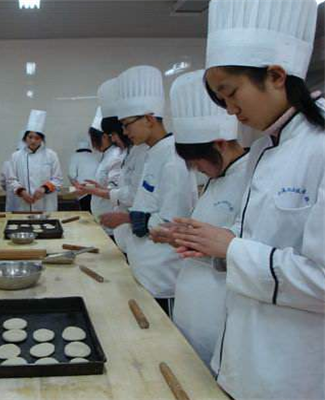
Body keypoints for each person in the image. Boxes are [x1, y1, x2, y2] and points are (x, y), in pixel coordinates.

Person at [169, 0, 324, 398]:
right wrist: (212, 243)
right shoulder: (263, 149)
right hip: (243, 354)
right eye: (221, 101)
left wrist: (231, 248)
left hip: (294, 368)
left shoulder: (319, 145)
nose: (231, 111)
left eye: (230, 93)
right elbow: (256, 236)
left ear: (275, 75)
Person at [149, 69, 249, 367]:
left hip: (218, 314)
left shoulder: (250, 178)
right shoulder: (218, 179)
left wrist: (196, 241)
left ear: (218, 144)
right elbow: (209, 238)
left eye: (197, 162)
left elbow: (240, 248)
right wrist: (178, 235)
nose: (195, 170)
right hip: (192, 305)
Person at [101, 66, 198, 316]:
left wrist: (125, 218)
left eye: (127, 124)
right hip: (144, 266)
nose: (124, 132)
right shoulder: (152, 153)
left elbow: (171, 222)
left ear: (149, 118)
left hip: (162, 274)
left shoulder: (173, 158)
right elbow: (147, 204)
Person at [77, 99, 123, 235]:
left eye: (94, 138)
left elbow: (115, 192)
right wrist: (94, 187)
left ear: (104, 136)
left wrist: (92, 190)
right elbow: (107, 186)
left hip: (112, 223)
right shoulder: (106, 155)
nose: (92, 143)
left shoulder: (116, 156)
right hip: (103, 220)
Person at [7, 109, 63, 212]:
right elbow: (11, 180)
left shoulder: (51, 155)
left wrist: (44, 189)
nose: (33, 141)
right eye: (30, 137)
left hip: (46, 204)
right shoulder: (16, 156)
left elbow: (58, 179)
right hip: (23, 204)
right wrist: (22, 192)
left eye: (37, 138)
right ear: (25, 138)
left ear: (42, 139)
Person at [68, 137, 98, 212]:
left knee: (86, 213)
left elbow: (71, 175)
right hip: (96, 191)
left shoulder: (75, 156)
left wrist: (76, 186)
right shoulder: (95, 156)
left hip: (83, 191)